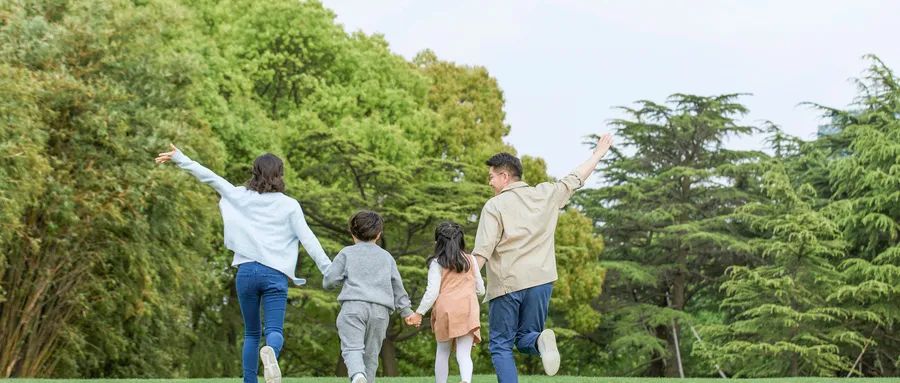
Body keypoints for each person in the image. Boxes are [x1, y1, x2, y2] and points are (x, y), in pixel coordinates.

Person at [155, 144, 332, 383]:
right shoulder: (290, 205)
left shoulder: (239, 195)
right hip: (274, 275)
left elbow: (210, 177)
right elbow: (309, 240)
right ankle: (271, 356)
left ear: (255, 173)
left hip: (247, 273)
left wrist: (180, 158)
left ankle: (250, 381)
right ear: (279, 175)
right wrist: (328, 270)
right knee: (274, 331)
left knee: (251, 333)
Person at [471, 134, 613, 383]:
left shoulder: (494, 206)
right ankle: (539, 340)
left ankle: (537, 341)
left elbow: (482, 250)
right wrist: (598, 154)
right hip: (541, 282)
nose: (490, 183)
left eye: (492, 177)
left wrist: (466, 283)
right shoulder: (546, 194)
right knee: (527, 338)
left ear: (505, 176)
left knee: (501, 346)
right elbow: (575, 178)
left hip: (507, 284)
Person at [322, 210, 416, 383]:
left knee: (352, 348)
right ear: (379, 234)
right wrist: (407, 312)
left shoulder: (346, 253)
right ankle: (364, 378)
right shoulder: (386, 257)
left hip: (353, 307)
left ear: (352, 232)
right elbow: (397, 286)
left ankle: (357, 375)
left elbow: (329, 282)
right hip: (380, 312)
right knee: (371, 355)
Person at [407, 222, 485, 383]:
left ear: (438, 243)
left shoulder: (437, 263)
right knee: (464, 354)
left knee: (442, 352)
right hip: (468, 309)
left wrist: (419, 312)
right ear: (461, 241)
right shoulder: (471, 260)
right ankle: (465, 380)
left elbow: (432, 292)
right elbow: (481, 289)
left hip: (446, 309)